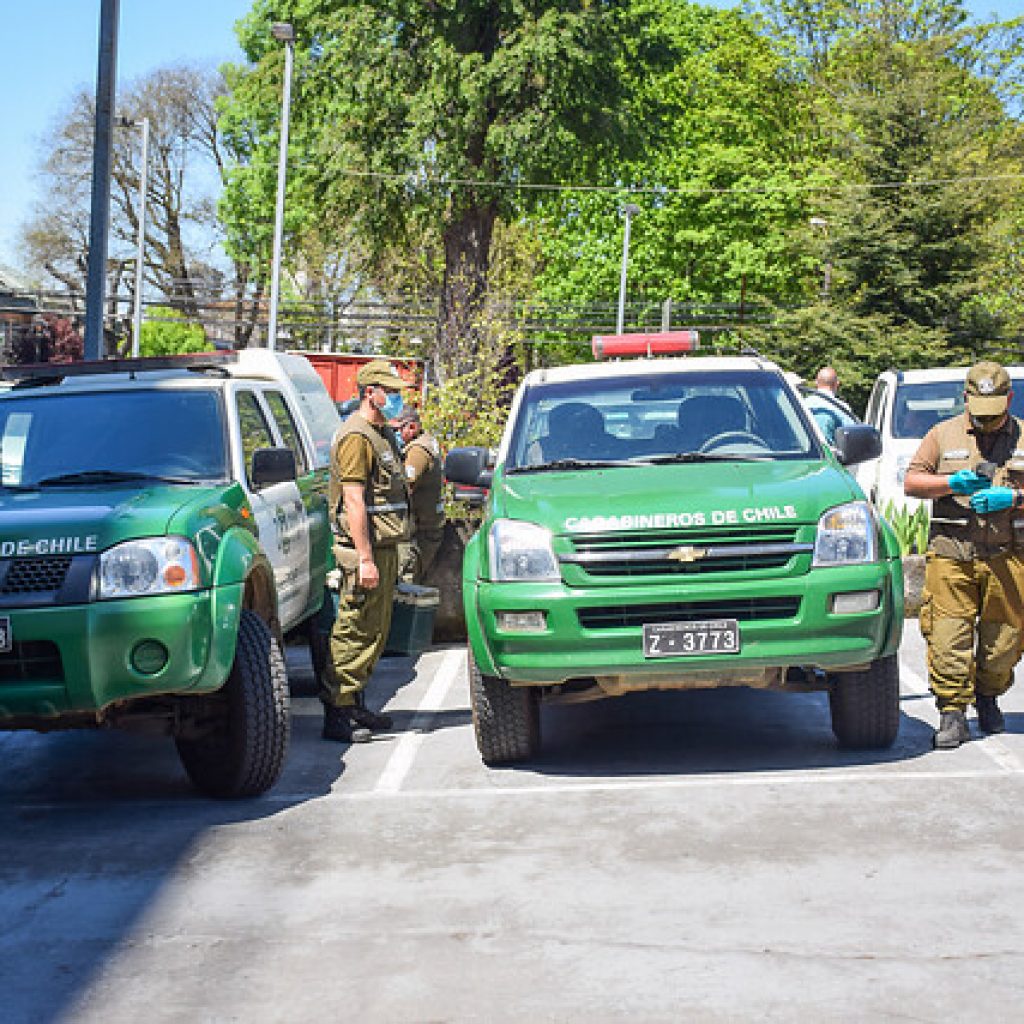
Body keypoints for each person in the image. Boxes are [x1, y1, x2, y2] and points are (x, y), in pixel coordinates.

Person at [903, 360, 1024, 749]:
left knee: (1004, 642)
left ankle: (988, 696)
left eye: (995, 413)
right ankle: (952, 713)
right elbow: (912, 482)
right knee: (947, 637)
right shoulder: (942, 434)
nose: (987, 421)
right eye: (979, 412)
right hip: (952, 554)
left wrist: (1015, 497)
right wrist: (950, 483)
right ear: (966, 398)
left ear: (1009, 398)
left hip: (1008, 556)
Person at [321, 359, 411, 743]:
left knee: (375, 630)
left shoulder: (382, 434)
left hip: (384, 547)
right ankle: (337, 711)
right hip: (364, 550)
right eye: (389, 392)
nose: (395, 398)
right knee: (354, 629)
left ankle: (354, 702)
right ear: (369, 392)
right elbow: (354, 501)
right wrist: (365, 558)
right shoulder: (356, 436)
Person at [390, 405, 446, 584]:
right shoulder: (427, 441)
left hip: (421, 530)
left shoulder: (418, 451)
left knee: (405, 580)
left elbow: (405, 486)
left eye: (398, 430)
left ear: (412, 427)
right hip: (427, 525)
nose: (396, 434)